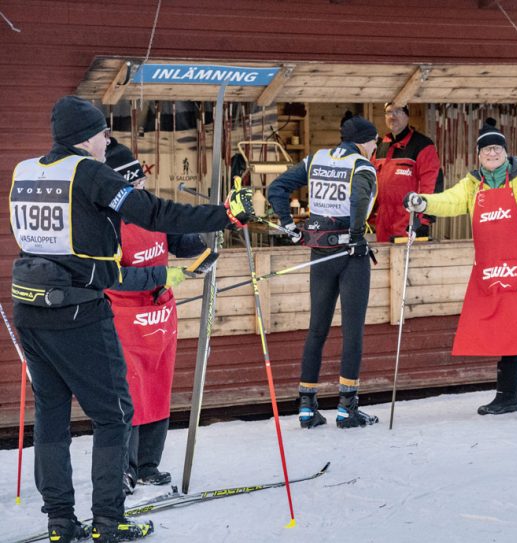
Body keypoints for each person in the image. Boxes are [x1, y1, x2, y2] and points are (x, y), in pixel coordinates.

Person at [9, 96, 252, 542]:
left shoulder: (27, 171)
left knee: (51, 417)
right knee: (114, 415)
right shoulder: (89, 172)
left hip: (30, 307)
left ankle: (60, 521)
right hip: (79, 310)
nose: (107, 141)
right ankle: (109, 521)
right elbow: (153, 212)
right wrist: (226, 215)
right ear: (85, 136)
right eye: (103, 133)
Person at [403, 118, 517, 419]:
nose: (492, 153)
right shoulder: (473, 184)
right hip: (493, 270)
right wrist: (422, 203)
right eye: (486, 149)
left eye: (496, 148)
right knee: (505, 330)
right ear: (478, 154)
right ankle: (507, 397)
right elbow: (450, 201)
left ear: (505, 151)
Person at [103, 138, 211, 494]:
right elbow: (115, 276)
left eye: (142, 183)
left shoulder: (149, 212)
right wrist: (164, 276)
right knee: (129, 391)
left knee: (158, 387)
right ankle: (124, 468)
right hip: (124, 316)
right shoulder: (107, 226)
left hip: (161, 315)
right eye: (134, 185)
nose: (142, 189)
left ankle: (149, 464)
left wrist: (203, 244)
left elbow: (176, 238)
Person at [267, 114, 379, 429]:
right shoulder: (362, 165)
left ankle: (307, 406)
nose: (375, 147)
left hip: (320, 253)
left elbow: (277, 187)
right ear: (363, 141)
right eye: (374, 141)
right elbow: (358, 199)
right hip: (349, 254)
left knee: (317, 329)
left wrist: (288, 225)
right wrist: (357, 237)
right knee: (352, 330)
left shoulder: (316, 159)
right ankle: (347, 407)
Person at [371, 103, 442, 242]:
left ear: (407, 114)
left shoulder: (422, 145)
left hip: (410, 224)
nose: (392, 116)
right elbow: (371, 184)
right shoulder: (380, 147)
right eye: (389, 112)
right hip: (383, 223)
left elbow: (432, 184)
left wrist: (424, 220)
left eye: (398, 111)